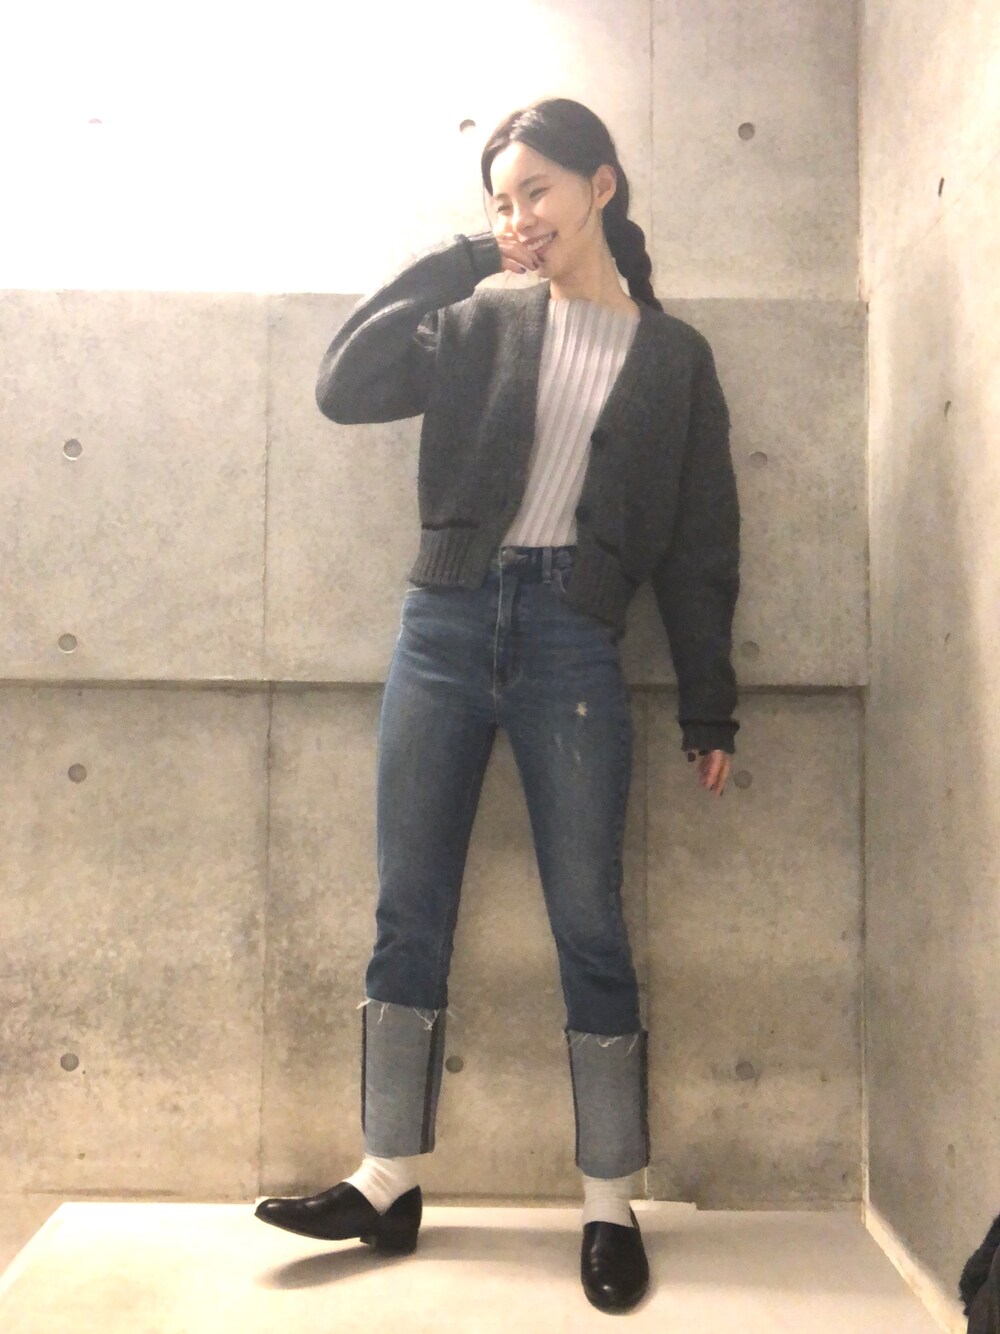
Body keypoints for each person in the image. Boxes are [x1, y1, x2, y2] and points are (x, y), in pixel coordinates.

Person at [255, 96, 740, 1315]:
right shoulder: (480, 318)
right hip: (445, 622)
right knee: (407, 905)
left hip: (575, 641)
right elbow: (343, 382)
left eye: (536, 191)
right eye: (500, 199)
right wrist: (468, 257)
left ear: (600, 187)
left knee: (589, 920)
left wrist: (709, 703)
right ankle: (386, 1179)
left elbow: (700, 542)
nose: (520, 214)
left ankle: (607, 1200)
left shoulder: (674, 357)